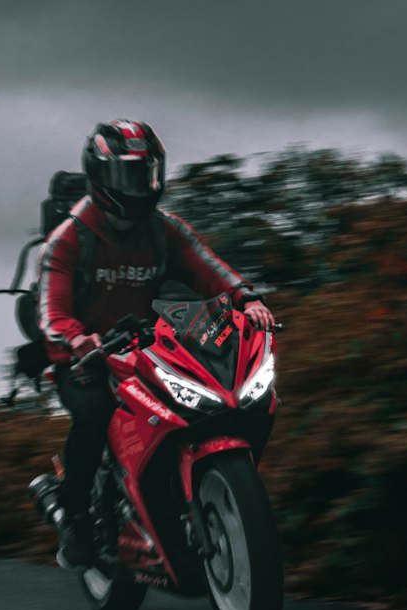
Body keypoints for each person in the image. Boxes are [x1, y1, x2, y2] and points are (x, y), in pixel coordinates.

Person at [38, 118, 276, 569]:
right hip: (84, 359)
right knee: (93, 416)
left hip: (143, 347)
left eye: (149, 172)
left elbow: (208, 268)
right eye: (130, 174)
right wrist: (75, 338)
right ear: (101, 176)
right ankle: (75, 517)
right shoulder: (68, 239)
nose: (143, 185)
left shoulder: (165, 229)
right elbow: (50, 313)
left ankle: (192, 494)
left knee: (219, 400)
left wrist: (246, 298)